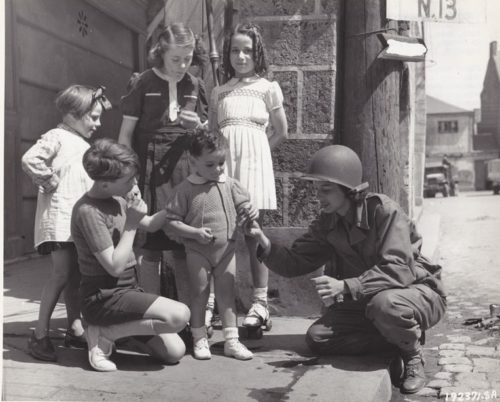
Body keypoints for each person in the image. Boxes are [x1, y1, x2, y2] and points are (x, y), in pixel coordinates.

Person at [246, 145, 446, 394]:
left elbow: (399, 270)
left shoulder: (384, 212)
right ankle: (394, 339)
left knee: (386, 306)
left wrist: (345, 286)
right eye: (317, 189)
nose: (319, 196)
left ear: (348, 189)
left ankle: (412, 354)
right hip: (368, 301)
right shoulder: (328, 222)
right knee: (318, 337)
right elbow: (296, 261)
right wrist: (264, 243)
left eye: (326, 189)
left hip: (416, 294)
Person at [71, 138, 190, 372]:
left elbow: (151, 224)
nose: (135, 182)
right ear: (105, 184)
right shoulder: (88, 211)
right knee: (179, 315)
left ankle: (119, 333)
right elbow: (114, 267)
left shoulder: (118, 199)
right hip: (102, 297)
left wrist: (178, 203)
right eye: (128, 180)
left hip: (127, 291)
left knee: (175, 352)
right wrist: (131, 225)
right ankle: (102, 332)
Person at [22, 84, 111, 362]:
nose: (98, 124)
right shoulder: (56, 136)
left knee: (76, 276)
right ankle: (39, 334)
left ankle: (74, 328)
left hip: (77, 222)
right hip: (60, 219)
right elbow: (30, 158)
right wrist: (49, 181)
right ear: (73, 114)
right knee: (61, 274)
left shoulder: (84, 145)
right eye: (93, 117)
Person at [118, 22, 209, 298]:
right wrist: (129, 181)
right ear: (161, 53)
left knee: (184, 248)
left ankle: (186, 318)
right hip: (149, 172)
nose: (182, 65)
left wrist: (199, 128)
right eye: (175, 59)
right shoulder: (143, 82)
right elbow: (125, 136)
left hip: (184, 174)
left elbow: (206, 142)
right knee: (150, 249)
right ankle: (149, 318)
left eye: (188, 59)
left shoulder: (195, 85)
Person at [209, 22, 288, 331]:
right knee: (220, 231)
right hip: (224, 166)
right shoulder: (220, 91)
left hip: (254, 166)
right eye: (234, 50)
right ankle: (216, 303)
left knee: (253, 230)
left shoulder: (267, 88)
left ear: (258, 53)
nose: (240, 57)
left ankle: (260, 303)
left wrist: (257, 155)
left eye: (247, 51)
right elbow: (215, 134)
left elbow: (281, 131)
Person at [164, 131, 255, 361]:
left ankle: (232, 341)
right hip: (198, 251)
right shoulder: (185, 189)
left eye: (221, 163)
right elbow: (172, 222)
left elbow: (245, 205)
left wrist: (250, 210)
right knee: (199, 294)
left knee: (227, 295)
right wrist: (194, 233)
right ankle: (199, 338)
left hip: (227, 251)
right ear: (193, 162)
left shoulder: (230, 185)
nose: (218, 169)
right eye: (210, 164)